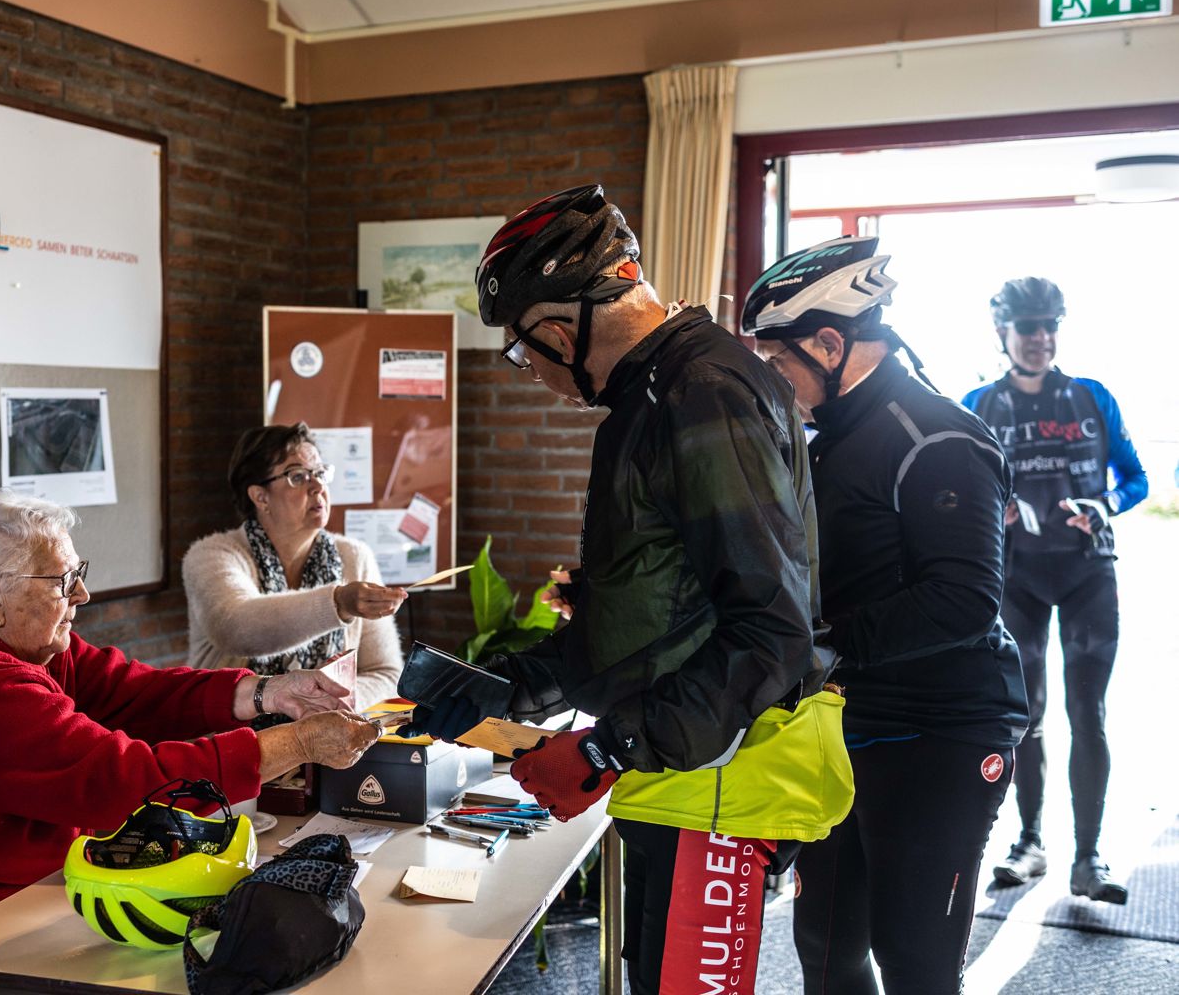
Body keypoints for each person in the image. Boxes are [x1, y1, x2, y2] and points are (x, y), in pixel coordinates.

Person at [413, 184, 850, 995]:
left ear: (555, 329)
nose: (531, 371)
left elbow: (771, 628)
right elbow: (647, 612)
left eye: (520, 352)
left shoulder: (702, 395)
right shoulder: (651, 395)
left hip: (722, 775)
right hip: (678, 768)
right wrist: (505, 686)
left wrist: (604, 746)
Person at [0, 490, 381, 995]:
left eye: (79, 573)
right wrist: (298, 742)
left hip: (12, 912)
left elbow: (134, 691)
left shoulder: (21, 646)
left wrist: (268, 694)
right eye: (62, 581)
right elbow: (126, 781)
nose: (83, 596)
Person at [743, 237, 1028, 994]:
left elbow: (965, 600)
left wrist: (819, 647)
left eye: (779, 364)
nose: (775, 382)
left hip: (942, 733)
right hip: (846, 726)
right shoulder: (829, 438)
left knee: (915, 964)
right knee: (827, 947)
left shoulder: (936, 437)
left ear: (831, 343)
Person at [963, 277, 1147, 904]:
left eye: (1049, 327)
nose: (1040, 338)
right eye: (1028, 328)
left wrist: (1103, 503)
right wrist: (995, 510)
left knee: (1087, 715)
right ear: (1004, 334)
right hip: (1018, 578)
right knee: (1026, 718)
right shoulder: (979, 405)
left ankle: (1089, 858)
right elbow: (957, 495)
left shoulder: (1092, 398)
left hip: (1088, 572)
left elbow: (1135, 480)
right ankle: (1030, 843)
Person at [184, 423, 406, 710]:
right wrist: (338, 603)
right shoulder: (212, 555)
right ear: (260, 497)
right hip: (231, 745)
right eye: (297, 476)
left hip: (328, 742)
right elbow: (236, 628)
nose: (317, 486)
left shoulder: (354, 557)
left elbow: (386, 674)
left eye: (320, 473)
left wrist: (326, 704)